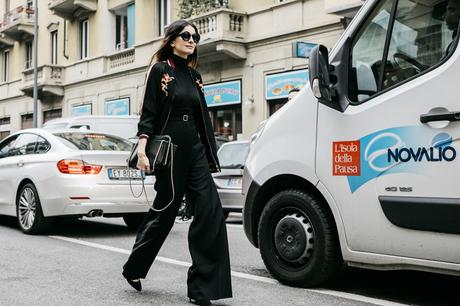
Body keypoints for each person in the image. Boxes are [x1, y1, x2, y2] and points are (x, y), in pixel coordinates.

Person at [122, 20, 232, 306]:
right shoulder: (161, 71)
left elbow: (201, 119)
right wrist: (143, 151)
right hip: (171, 151)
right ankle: (134, 267)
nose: (192, 39)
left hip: (194, 150)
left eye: (195, 36)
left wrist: (209, 155)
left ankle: (202, 289)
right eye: (186, 35)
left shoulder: (195, 76)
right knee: (164, 214)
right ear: (172, 40)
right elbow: (148, 113)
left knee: (210, 211)